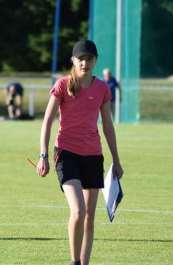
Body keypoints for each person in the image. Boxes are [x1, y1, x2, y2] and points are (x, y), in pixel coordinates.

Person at [36, 39, 124, 265]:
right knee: (78, 210)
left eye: (90, 59)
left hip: (93, 156)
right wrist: (43, 155)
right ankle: (74, 262)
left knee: (90, 216)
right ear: (73, 60)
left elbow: (108, 127)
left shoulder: (103, 88)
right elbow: (47, 122)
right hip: (66, 154)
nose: (85, 63)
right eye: (81, 59)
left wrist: (116, 161)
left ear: (95, 61)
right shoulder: (63, 85)